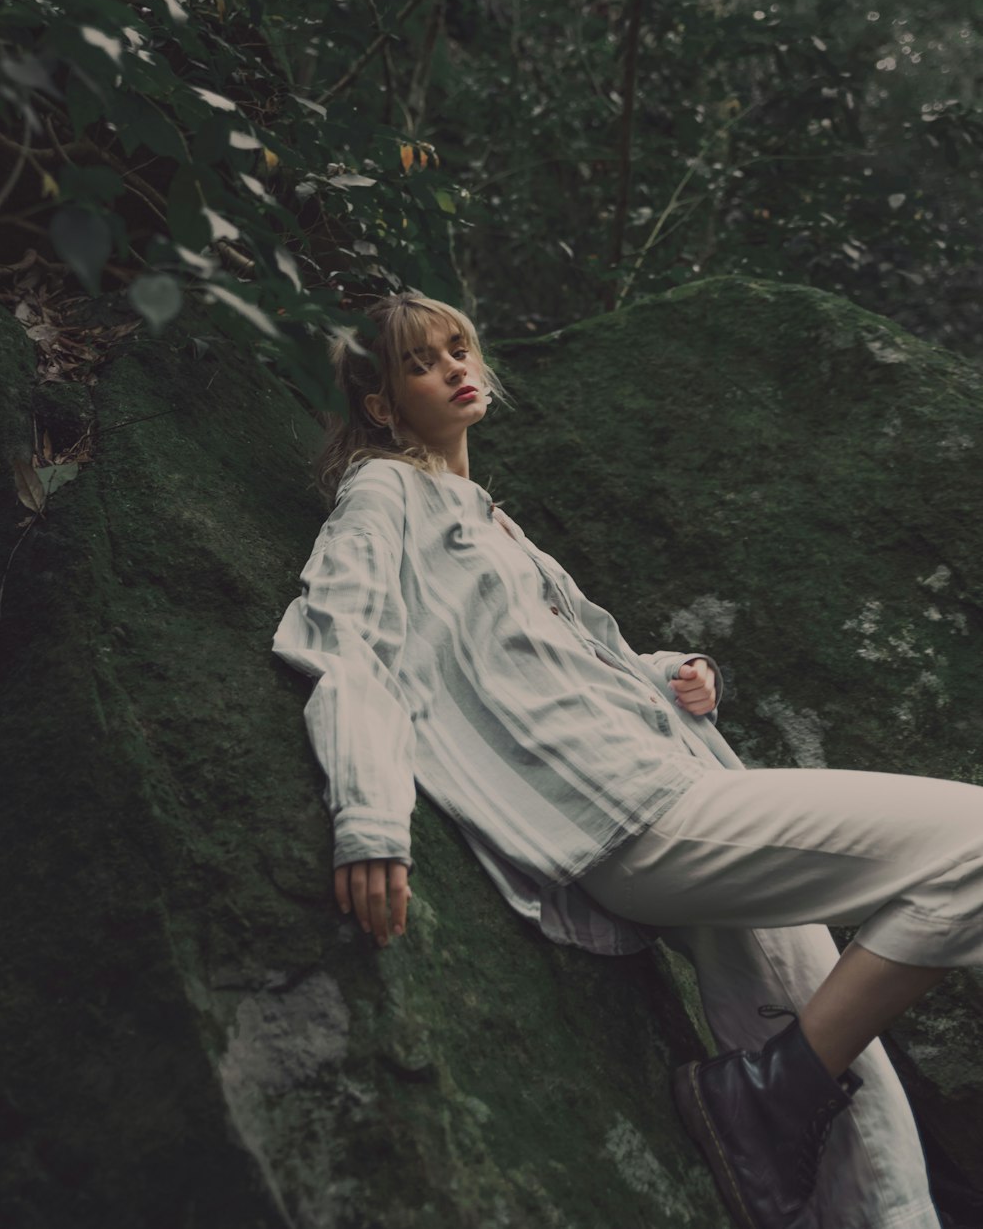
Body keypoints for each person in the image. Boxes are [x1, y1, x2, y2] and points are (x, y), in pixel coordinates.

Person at [272, 290, 983, 1229]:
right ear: (379, 404)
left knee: (867, 1123)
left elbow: (544, 667)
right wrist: (366, 815)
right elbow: (346, 639)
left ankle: (775, 1102)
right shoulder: (385, 492)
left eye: (459, 347)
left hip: (678, 786)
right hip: (634, 814)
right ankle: (761, 1095)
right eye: (421, 362)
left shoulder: (496, 523)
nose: (455, 367)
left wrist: (670, 674)